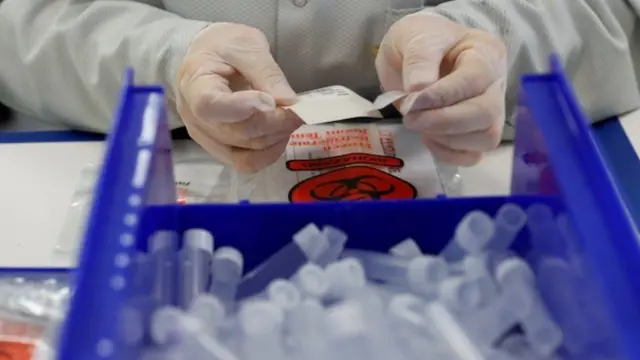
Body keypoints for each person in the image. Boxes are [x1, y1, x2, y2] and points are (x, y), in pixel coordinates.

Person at [0, 1, 638, 173]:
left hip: (469, 172)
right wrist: (170, 61)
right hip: (137, 171)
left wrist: (480, 43)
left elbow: (617, 17)